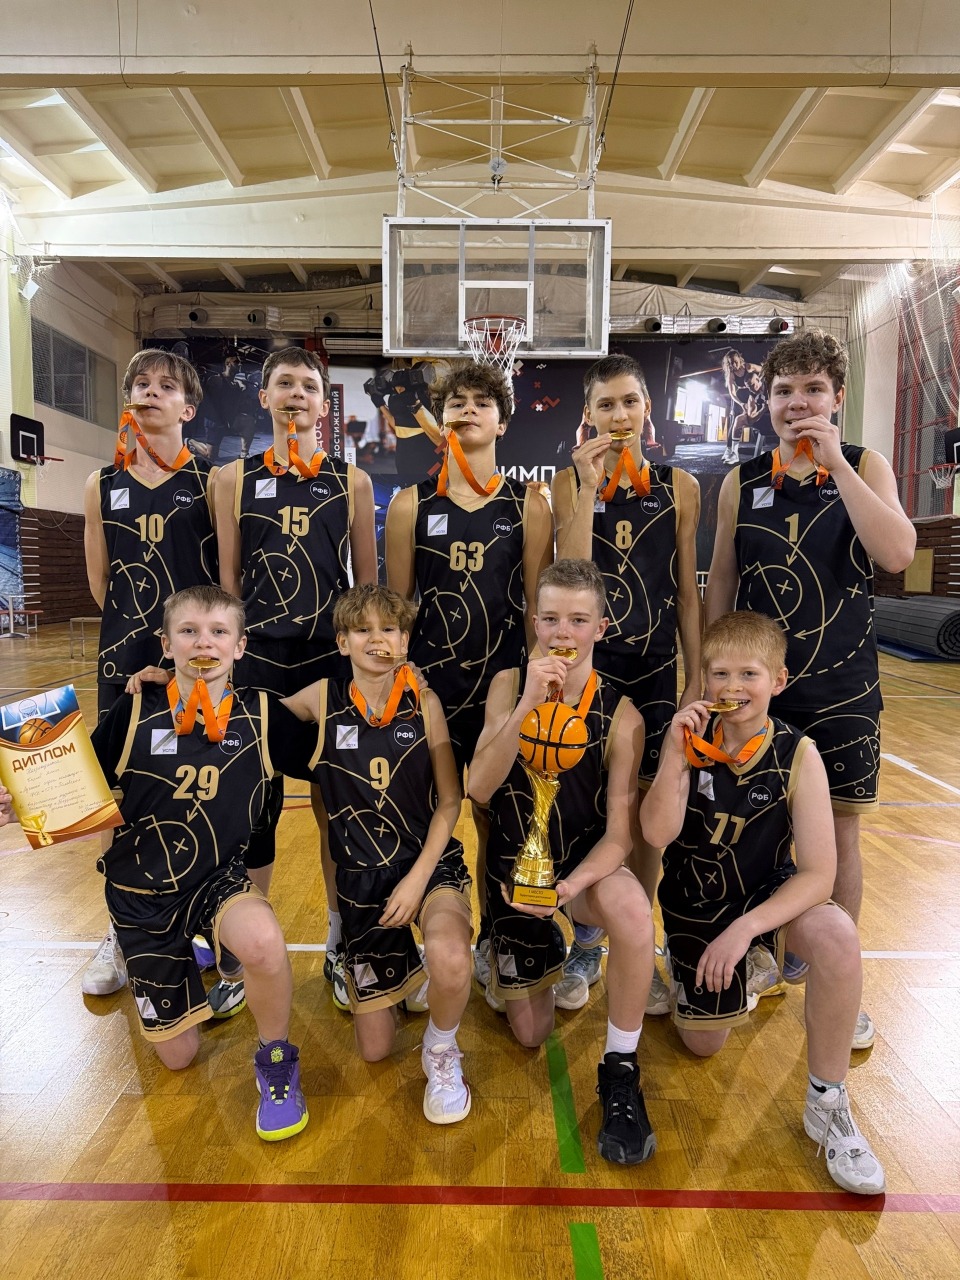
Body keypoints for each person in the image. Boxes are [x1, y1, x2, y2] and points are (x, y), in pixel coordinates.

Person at [0, 587, 314, 1142]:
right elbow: (74, 792)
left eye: (218, 632)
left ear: (241, 646)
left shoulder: (263, 714)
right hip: (140, 894)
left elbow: (339, 753)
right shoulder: (133, 710)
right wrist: (21, 802)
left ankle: (276, 1061)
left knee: (264, 941)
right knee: (179, 1056)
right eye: (188, 631)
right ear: (165, 645)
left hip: (217, 881)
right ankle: (176, 961)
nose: (204, 643)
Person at [704, 328, 916, 1049]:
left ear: (837, 397)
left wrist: (838, 465)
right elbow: (723, 582)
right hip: (759, 694)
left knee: (842, 837)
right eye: (784, 391)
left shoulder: (866, 463)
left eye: (813, 390)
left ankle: (834, 980)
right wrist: (706, 674)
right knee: (753, 828)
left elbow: (897, 553)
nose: (797, 403)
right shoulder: (742, 481)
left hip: (844, 691)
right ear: (766, 401)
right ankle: (760, 956)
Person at [640, 610, 885, 1195]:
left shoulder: (799, 753)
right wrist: (673, 756)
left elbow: (820, 874)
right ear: (704, 680)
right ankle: (707, 967)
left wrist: (745, 929)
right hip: (696, 906)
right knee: (703, 1047)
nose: (733, 687)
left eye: (748, 674)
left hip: (762, 897)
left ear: (778, 680)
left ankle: (828, 1101)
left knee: (836, 934)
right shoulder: (686, 743)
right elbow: (654, 833)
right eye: (720, 674)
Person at [468, 559, 656, 1165]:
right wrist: (528, 701)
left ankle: (620, 1067)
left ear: (601, 627)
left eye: (578, 620)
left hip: (577, 869)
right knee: (531, 1034)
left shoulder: (622, 716)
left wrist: (571, 888)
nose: (562, 633)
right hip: (515, 873)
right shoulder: (507, 685)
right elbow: (478, 788)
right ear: (534, 622)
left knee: (633, 909)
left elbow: (621, 837)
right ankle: (520, 942)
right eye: (550, 618)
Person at [385, 360, 553, 1007]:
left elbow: (536, 609)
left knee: (495, 821)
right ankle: (412, 945)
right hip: (428, 691)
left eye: (482, 401)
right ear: (442, 417)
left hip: (500, 690)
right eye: (456, 401)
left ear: (502, 422)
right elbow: (396, 611)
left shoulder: (528, 504)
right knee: (417, 818)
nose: (467, 410)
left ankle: (492, 942)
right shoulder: (410, 504)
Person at [214, 345, 377, 1011]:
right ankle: (243, 951)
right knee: (253, 807)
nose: (296, 395)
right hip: (255, 661)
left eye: (308, 386)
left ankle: (341, 939)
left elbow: (365, 589)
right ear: (265, 397)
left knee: (336, 807)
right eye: (284, 383)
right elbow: (228, 582)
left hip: (325, 662)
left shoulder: (351, 480)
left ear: (322, 403)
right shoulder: (232, 478)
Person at [281, 584, 474, 1124]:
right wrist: (171, 682)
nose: (377, 639)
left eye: (389, 628)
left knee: (451, 956)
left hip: (426, 864)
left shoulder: (425, 701)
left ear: (405, 641)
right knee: (374, 1049)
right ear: (342, 642)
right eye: (362, 629)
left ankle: (441, 1046)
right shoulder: (321, 697)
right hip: (363, 881)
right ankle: (405, 974)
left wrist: (416, 880)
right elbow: (246, 714)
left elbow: (450, 800)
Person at [551, 354, 701, 1015]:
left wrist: (696, 674)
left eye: (629, 402)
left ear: (647, 409)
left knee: (646, 817)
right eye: (606, 405)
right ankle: (586, 940)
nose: (619, 415)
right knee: (590, 807)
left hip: (656, 669)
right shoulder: (568, 482)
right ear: (589, 415)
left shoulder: (680, 486)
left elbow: (688, 592)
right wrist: (587, 489)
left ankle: (641, 942)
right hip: (594, 669)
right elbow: (572, 575)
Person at [81, 348, 218, 1000]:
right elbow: (99, 582)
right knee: (122, 800)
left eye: (166, 386)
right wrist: (136, 639)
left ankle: (194, 923)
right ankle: (119, 931)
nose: (150, 392)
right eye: (141, 383)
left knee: (193, 797)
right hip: (124, 658)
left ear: (188, 409)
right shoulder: (100, 484)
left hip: (195, 666)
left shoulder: (213, 481)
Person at [721, 350, 770, 466]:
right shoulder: (731, 374)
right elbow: (732, 393)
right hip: (741, 397)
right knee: (737, 419)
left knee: (754, 414)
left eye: (735, 362)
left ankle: (760, 447)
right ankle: (730, 450)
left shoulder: (749, 367)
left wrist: (760, 380)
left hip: (755, 390)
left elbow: (765, 370)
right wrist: (741, 404)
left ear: (740, 359)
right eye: (731, 363)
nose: (734, 365)